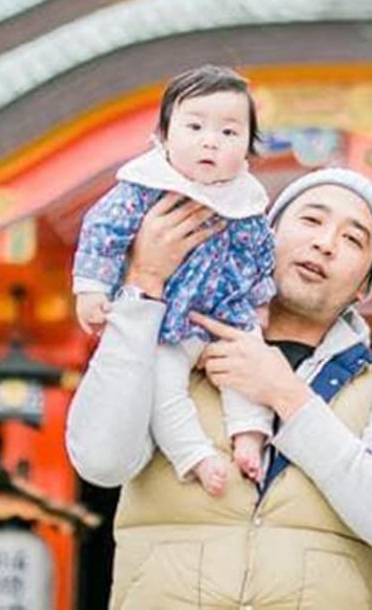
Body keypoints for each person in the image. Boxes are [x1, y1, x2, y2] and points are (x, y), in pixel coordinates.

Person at [66, 166, 372, 609]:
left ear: (365, 286)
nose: (325, 243)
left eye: (353, 239)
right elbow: (100, 459)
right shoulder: (171, 345)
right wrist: (144, 287)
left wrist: (287, 395)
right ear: (263, 236)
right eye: (311, 220)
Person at [72, 64, 274, 495]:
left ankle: (250, 435)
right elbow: (103, 232)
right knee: (164, 384)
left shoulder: (245, 201)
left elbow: (260, 257)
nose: (210, 141)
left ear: (249, 148)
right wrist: (91, 286)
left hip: (227, 316)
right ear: (163, 135)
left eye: (229, 132)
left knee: (252, 364)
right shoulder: (144, 188)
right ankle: (194, 454)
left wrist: (260, 304)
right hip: (167, 323)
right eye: (195, 126)